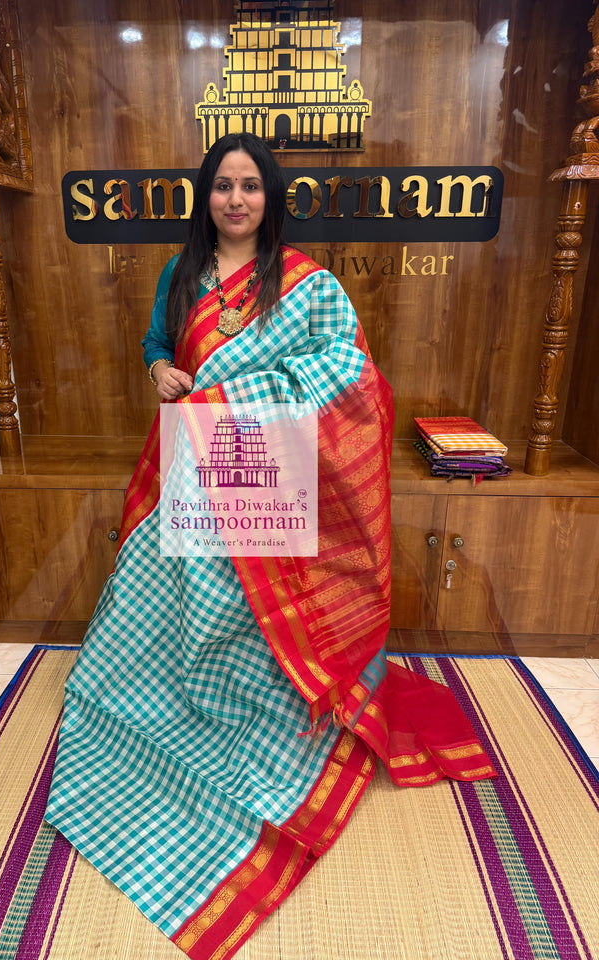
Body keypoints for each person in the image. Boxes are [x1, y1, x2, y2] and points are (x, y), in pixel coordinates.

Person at [44, 133, 496, 960]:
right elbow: (156, 345)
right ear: (206, 196)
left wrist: (244, 392)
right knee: (193, 599)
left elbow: (350, 369)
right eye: (223, 185)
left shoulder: (304, 282)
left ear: (270, 197)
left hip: (264, 457)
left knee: (258, 610)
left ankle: (265, 720)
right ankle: (195, 708)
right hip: (192, 461)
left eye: (250, 185)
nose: (236, 199)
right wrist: (159, 371)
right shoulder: (181, 275)